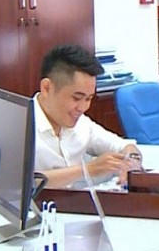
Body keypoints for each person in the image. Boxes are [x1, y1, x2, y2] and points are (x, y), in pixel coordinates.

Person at [34, 45, 142, 189]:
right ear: (47, 88)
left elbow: (124, 146)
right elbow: (19, 184)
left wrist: (131, 162)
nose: (83, 107)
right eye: (76, 98)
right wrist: (87, 170)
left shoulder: (81, 123)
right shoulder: (18, 125)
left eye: (88, 98)